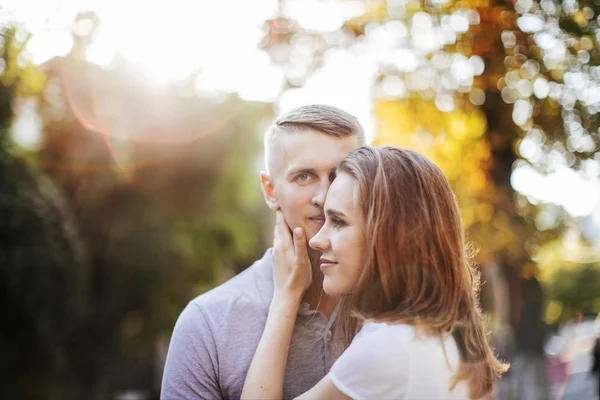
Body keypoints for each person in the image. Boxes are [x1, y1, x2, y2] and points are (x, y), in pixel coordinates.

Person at [242, 146, 509, 399]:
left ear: (391, 234)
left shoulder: (386, 349)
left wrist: (284, 297)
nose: (317, 240)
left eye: (338, 222)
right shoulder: (443, 337)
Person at [160, 104, 365, 399]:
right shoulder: (207, 323)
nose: (323, 196)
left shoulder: (395, 306)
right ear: (270, 190)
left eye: (339, 175)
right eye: (304, 177)